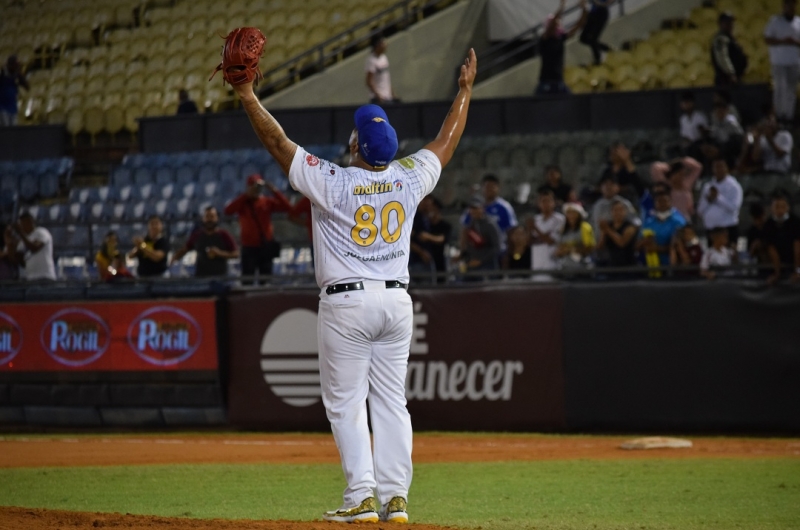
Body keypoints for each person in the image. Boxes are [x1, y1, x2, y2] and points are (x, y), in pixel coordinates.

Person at [230, 47, 477, 523]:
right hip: (396, 301)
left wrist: (246, 94)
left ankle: (361, 497)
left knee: (345, 404)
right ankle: (396, 498)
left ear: (357, 146)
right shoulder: (410, 175)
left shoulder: (335, 182)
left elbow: (278, 143)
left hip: (348, 303)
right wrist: (464, 92)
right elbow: (447, 138)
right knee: (391, 402)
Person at [224, 174, 292, 283]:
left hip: (265, 245)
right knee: (247, 279)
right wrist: (246, 195)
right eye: (253, 186)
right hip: (249, 247)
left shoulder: (267, 201)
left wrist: (274, 191)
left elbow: (287, 207)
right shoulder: (243, 202)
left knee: (266, 280)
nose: (256, 189)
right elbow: (228, 211)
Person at [536, 0, 588, 95]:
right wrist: (561, 8)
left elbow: (578, 25)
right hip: (546, 82)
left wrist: (584, 9)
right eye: (556, 22)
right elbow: (552, 24)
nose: (558, 23)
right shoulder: (545, 39)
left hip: (558, 81)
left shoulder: (560, 38)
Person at [171, 206, 239, 278]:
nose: (209, 219)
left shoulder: (224, 235)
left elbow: (236, 254)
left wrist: (219, 253)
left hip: (220, 277)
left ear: (217, 218)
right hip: (200, 277)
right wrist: (174, 259)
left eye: (212, 216)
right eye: (207, 216)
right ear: (203, 219)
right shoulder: (197, 235)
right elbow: (185, 249)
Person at [764, 0, 800, 123]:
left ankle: (788, 116)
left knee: (791, 89)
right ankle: (779, 116)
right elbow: (767, 39)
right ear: (784, 6)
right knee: (780, 88)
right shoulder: (775, 21)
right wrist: (783, 41)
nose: (790, 7)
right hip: (779, 61)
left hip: (794, 61)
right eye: (788, 4)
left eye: (793, 4)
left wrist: (794, 42)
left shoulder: (798, 22)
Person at [697, 158, 743, 248]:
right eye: (716, 167)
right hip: (711, 229)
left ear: (726, 168)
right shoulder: (708, 186)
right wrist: (709, 200)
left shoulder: (734, 186)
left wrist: (718, 198)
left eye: (721, 167)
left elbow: (734, 207)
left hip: (727, 228)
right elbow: (700, 210)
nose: (719, 170)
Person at [639, 187, 687, 267]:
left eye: (665, 201)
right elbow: (638, 243)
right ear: (654, 203)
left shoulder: (678, 221)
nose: (662, 204)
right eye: (659, 201)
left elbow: (681, 246)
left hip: (673, 266)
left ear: (671, 202)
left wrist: (657, 248)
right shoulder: (648, 222)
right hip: (651, 265)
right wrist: (645, 242)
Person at [409, 195, 451, 280]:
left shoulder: (428, 220)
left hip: (431, 261)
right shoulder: (414, 217)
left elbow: (442, 238)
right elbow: (409, 240)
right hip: (417, 260)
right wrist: (422, 252)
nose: (428, 205)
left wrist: (428, 237)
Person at [763, 191, 800, 284]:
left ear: (788, 207)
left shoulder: (795, 222)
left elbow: (797, 247)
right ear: (772, 208)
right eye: (777, 207)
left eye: (783, 206)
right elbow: (771, 248)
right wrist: (777, 272)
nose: (780, 210)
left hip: (795, 259)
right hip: (778, 261)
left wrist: (797, 271)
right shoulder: (768, 225)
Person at [6, 211, 55, 281]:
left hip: (45, 277)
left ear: (31, 221)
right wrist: (9, 241)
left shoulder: (41, 232)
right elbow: (17, 260)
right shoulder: (22, 240)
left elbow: (34, 248)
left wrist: (20, 233)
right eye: (21, 223)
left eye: (25, 222)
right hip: (31, 278)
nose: (23, 226)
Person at [649, 157, 702, 221]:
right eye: (679, 174)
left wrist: (683, 161)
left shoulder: (686, 185)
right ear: (672, 174)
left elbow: (697, 167)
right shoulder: (666, 186)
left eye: (683, 174)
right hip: (670, 219)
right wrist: (669, 166)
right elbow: (655, 167)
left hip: (685, 219)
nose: (681, 177)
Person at [460, 197, 501, 276]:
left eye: (476, 208)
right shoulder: (471, 224)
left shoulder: (490, 225)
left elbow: (497, 247)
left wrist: (481, 260)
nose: (473, 211)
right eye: (472, 209)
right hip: (473, 265)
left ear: (482, 208)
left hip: (488, 265)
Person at [527, 189, 565, 271]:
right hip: (537, 260)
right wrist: (530, 230)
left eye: (548, 201)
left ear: (554, 203)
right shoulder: (536, 219)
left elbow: (551, 241)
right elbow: (530, 241)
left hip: (552, 261)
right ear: (538, 204)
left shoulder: (560, 219)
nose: (545, 204)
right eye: (543, 201)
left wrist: (535, 229)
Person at [596, 199, 638, 269]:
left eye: (620, 210)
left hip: (628, 265)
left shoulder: (630, 227)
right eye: (615, 210)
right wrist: (603, 231)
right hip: (612, 264)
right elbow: (600, 246)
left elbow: (621, 243)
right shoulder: (608, 225)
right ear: (611, 212)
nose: (618, 213)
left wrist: (607, 229)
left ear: (625, 212)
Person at [554, 202, 595, 269]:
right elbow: (559, 249)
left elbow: (590, 248)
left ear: (579, 214)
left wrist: (571, 250)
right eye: (568, 213)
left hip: (582, 267)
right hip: (566, 267)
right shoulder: (563, 230)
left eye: (573, 213)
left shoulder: (585, 227)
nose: (571, 216)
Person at [712, 12, 748, 86]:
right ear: (720, 24)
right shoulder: (721, 38)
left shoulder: (729, 38)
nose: (730, 25)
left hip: (732, 78)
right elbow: (722, 58)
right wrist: (731, 74)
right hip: (726, 80)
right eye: (727, 22)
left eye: (731, 22)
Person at [365, 34, 398, 104]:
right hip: (379, 99)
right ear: (377, 45)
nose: (386, 45)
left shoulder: (384, 58)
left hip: (388, 97)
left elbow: (386, 78)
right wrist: (378, 96)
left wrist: (392, 93)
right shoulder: (371, 60)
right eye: (383, 43)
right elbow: (369, 81)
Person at [579, 0, 612, 65]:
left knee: (593, 38)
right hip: (593, 13)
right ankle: (605, 48)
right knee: (583, 38)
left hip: (601, 12)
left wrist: (600, 4)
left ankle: (599, 58)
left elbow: (608, 2)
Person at [0, 55, 29, 127]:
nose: (16, 67)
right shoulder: (2, 73)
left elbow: (27, 87)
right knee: (5, 127)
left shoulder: (17, 75)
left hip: (13, 106)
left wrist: (20, 76)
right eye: (14, 65)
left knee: (13, 128)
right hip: (2, 107)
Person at [746, 202, 771, 268]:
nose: (758, 222)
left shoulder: (771, 227)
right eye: (756, 219)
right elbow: (750, 253)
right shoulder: (751, 231)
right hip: (759, 263)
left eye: (760, 218)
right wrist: (754, 246)